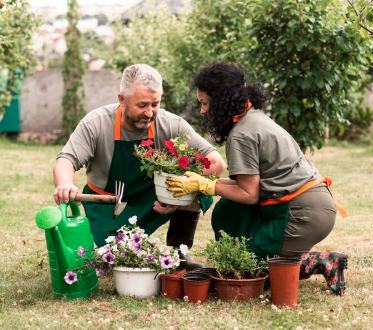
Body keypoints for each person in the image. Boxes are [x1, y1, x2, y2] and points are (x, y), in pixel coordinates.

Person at [166, 62, 349, 295]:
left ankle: (323, 261)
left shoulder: (241, 134)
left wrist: (208, 185)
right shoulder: (253, 118)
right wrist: (205, 182)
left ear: (221, 101)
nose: (202, 111)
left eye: (204, 103)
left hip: (302, 213)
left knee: (246, 272)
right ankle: (274, 255)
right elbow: (249, 184)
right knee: (227, 210)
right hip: (309, 205)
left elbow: (249, 194)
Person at [53, 64, 226, 270]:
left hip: (153, 200)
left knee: (199, 190)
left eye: (155, 104)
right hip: (107, 205)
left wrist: (177, 196)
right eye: (142, 105)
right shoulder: (96, 123)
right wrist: (65, 185)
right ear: (122, 99)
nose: (149, 112)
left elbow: (216, 163)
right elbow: (66, 160)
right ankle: (123, 246)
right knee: (99, 261)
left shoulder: (171, 124)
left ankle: (179, 257)